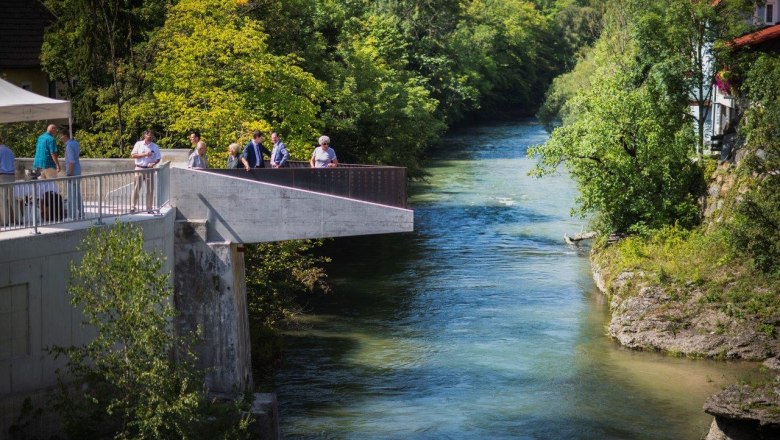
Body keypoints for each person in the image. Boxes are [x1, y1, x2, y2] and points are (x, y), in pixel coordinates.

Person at [130, 129, 161, 213]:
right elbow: (133, 155)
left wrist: (153, 163)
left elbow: (158, 158)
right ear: (145, 135)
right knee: (136, 188)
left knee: (150, 190)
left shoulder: (155, 146)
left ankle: (149, 208)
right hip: (139, 168)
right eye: (148, 136)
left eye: (151, 136)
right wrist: (145, 154)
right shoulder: (139, 144)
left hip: (149, 170)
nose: (150, 137)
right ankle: (133, 207)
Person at [61, 129, 83, 219]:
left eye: (61, 136)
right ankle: (82, 213)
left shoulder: (69, 146)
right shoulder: (75, 143)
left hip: (72, 173)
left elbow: (71, 161)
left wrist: (69, 174)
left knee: (71, 196)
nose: (60, 138)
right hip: (78, 171)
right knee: (77, 195)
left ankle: (72, 216)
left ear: (65, 136)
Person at [0, 135, 16, 225]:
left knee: (2, 200)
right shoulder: (10, 150)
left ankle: (4, 222)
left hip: (2, 176)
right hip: (11, 176)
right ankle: (19, 219)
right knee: (12, 199)